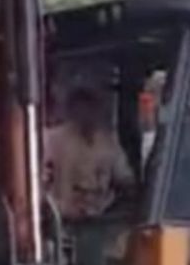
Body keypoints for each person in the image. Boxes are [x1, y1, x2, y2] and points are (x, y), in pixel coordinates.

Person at [43, 86, 134, 219]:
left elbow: (125, 180)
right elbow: (40, 177)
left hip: (99, 217)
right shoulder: (52, 139)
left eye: (90, 109)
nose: (85, 114)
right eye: (79, 109)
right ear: (70, 111)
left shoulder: (108, 142)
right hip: (61, 219)